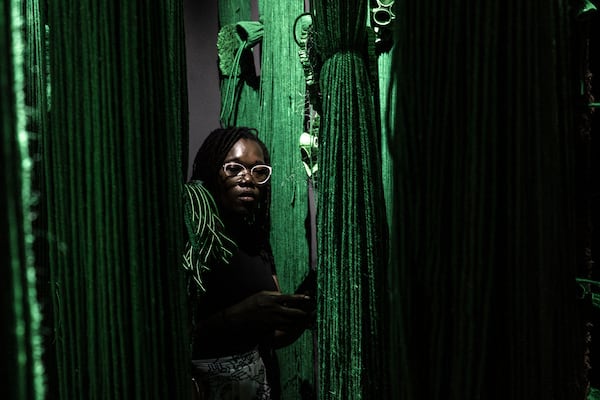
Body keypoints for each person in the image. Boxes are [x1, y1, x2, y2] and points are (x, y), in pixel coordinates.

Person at [184, 127, 315, 400]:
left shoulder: (257, 241)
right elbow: (177, 336)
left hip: (256, 387)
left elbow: (273, 336)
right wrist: (243, 314)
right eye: (234, 168)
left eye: (258, 171)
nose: (248, 179)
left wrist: (303, 311)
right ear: (211, 171)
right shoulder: (192, 235)